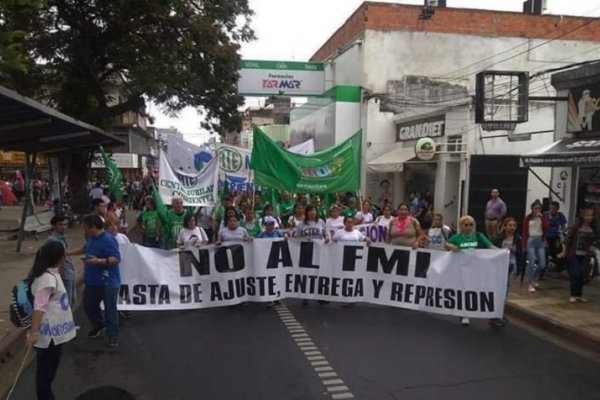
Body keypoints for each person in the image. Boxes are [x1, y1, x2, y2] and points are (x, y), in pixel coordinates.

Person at [26, 241, 77, 400]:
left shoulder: (49, 274)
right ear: (61, 257)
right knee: (45, 375)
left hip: (53, 334)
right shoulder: (48, 279)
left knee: (46, 373)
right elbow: (39, 307)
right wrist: (34, 333)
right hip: (49, 337)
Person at [68, 215, 121, 347]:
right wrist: (68, 253)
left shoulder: (109, 240)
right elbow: (84, 249)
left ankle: (112, 335)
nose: (84, 230)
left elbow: (116, 258)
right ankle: (99, 324)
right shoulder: (92, 239)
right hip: (93, 281)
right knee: (89, 305)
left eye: (86, 227)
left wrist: (99, 261)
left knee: (110, 309)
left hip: (108, 281)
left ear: (93, 227)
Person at [445, 215, 495, 326]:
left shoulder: (478, 236)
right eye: (466, 224)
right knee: (464, 290)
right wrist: (451, 246)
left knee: (475, 289)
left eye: (471, 224)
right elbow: (446, 243)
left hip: (476, 269)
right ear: (461, 226)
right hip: (462, 269)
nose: (468, 227)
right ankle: (465, 314)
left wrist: (502, 252)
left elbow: (490, 246)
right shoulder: (457, 237)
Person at [491, 217, 525, 327]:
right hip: (500, 268)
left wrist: (520, 269)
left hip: (512, 266)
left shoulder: (517, 239)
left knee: (506, 291)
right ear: (505, 226)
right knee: (499, 291)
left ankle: (500, 313)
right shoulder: (498, 238)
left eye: (514, 226)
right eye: (510, 225)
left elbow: (520, 254)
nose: (512, 228)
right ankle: (494, 314)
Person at [558, 209, 597, 303]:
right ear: (583, 216)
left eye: (591, 216)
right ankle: (573, 294)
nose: (589, 218)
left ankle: (579, 295)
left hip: (586, 255)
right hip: (575, 254)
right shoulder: (576, 227)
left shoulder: (593, 228)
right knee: (576, 273)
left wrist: (593, 246)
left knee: (582, 274)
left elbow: (595, 240)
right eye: (587, 215)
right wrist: (564, 251)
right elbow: (567, 239)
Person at [47, 215, 76, 305]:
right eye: (60, 224)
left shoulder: (62, 237)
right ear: (54, 226)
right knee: (66, 301)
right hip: (64, 273)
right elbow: (59, 258)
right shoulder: (53, 240)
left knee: (70, 299)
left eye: (65, 224)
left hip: (69, 270)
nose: (63, 227)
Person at [522, 200, 549, 293]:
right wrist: (524, 245)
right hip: (531, 240)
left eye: (539, 208)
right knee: (532, 261)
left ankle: (533, 277)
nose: (537, 210)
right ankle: (530, 283)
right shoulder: (528, 218)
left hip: (540, 240)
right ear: (532, 209)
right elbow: (525, 231)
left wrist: (543, 218)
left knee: (542, 264)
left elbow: (546, 227)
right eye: (535, 208)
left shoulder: (542, 218)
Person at [544, 201, 567, 270]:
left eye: (553, 208)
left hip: (557, 236)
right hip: (547, 236)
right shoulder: (545, 215)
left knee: (562, 247)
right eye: (550, 208)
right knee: (545, 250)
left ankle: (558, 265)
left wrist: (562, 235)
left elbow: (563, 228)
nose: (551, 210)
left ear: (557, 209)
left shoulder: (561, 215)